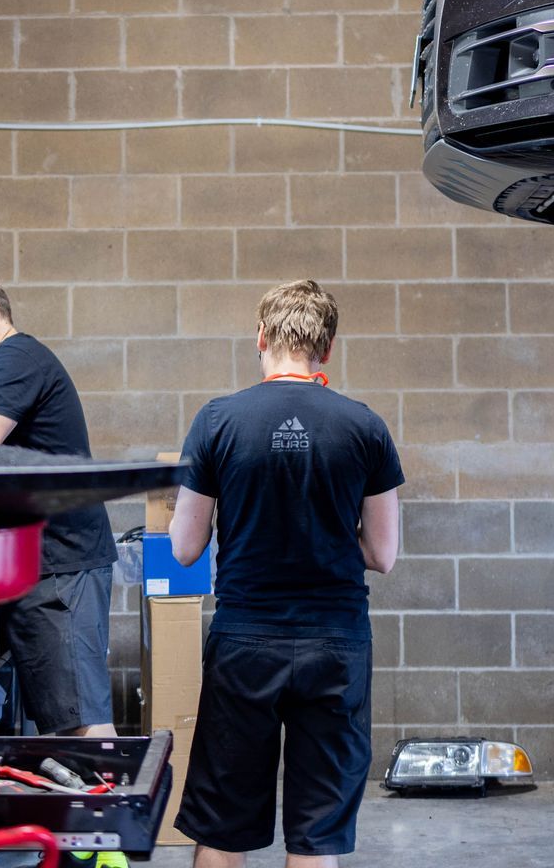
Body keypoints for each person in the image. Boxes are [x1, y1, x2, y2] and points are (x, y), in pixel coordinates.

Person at [167, 279, 403, 868]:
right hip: (336, 645)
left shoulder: (217, 420)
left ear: (262, 338)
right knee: (315, 835)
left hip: (245, 643)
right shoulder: (364, 426)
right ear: (326, 349)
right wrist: (326, 524)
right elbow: (383, 553)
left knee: (222, 827)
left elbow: (185, 548)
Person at [0, 274, 117, 737]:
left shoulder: (14, 360)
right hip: (49, 563)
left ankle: (116, 806)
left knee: (82, 727)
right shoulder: (11, 363)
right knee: (63, 723)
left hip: (62, 566)